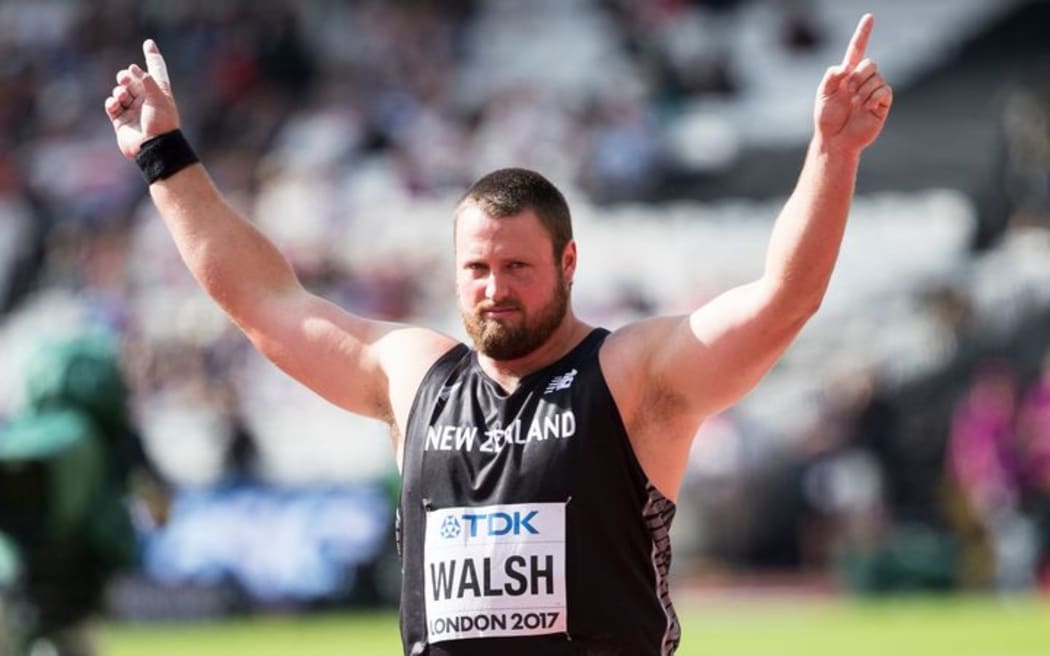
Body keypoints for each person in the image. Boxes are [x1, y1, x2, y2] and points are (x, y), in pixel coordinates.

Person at [104, 13, 892, 656]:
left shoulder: (631, 374)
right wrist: (164, 157)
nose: (495, 290)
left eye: (518, 267)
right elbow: (266, 302)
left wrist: (834, 151)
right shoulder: (415, 377)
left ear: (569, 262)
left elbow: (783, 299)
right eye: (477, 268)